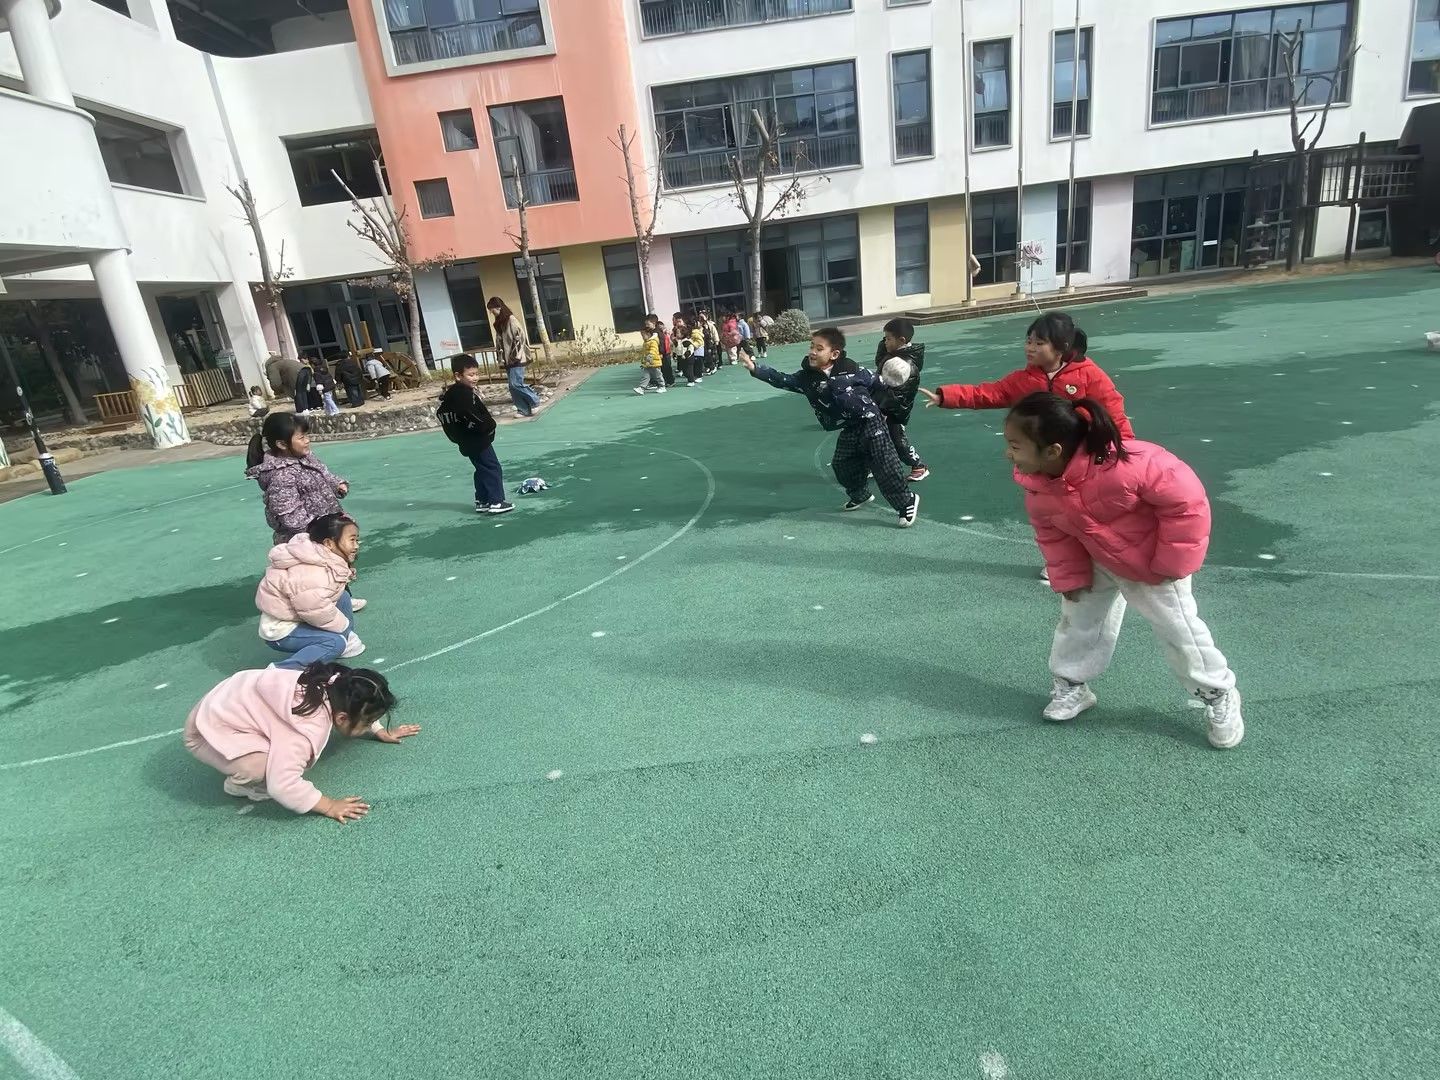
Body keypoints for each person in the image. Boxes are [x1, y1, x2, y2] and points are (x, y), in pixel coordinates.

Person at [1003, 392, 1244, 748]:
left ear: (1052, 451)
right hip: (1096, 557)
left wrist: (1172, 562)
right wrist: (1070, 576)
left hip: (1151, 563)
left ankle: (1217, 692)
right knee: (1078, 619)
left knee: (1177, 627)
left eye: (1015, 446)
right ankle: (1072, 684)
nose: (1008, 454)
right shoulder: (1040, 487)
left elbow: (1187, 501)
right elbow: (1053, 534)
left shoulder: (1127, 463)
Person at [182, 661, 417, 822]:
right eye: (368, 722)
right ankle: (239, 785)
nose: (370, 726)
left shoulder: (330, 682)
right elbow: (282, 785)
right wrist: (328, 805)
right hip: (205, 733)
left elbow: (359, 704)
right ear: (342, 718)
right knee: (259, 769)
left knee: (273, 748)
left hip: (223, 703)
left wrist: (378, 730)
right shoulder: (304, 732)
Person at [742, 327, 919, 527]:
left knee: (884, 464)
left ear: (834, 354)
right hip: (849, 426)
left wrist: (891, 402)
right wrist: (755, 368)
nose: (812, 352)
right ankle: (860, 494)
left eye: (819, 349)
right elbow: (781, 379)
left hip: (871, 421)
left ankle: (906, 501)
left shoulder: (851, 369)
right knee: (842, 464)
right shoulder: (806, 379)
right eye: (811, 347)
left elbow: (877, 383)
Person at [920, 311, 1133, 437]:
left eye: (1039, 343)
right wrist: (945, 396)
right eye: (1029, 342)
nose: (1030, 348)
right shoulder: (1023, 380)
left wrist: (1126, 446)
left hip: (1082, 449)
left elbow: (1112, 410)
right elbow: (987, 393)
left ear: (1061, 348)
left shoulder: (1089, 374)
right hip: (1042, 453)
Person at [256, 513, 366, 668]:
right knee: (335, 643)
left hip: (298, 615)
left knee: (343, 597)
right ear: (329, 543)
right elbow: (315, 610)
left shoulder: (320, 554)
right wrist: (343, 628)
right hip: (281, 630)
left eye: (357, 540)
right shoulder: (313, 573)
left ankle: (343, 639)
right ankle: (282, 669)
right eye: (352, 540)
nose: (356, 545)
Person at [245, 412, 353, 547]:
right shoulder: (281, 475)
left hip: (326, 527)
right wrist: (319, 529)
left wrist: (337, 484)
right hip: (304, 541)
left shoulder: (306, 457)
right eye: (301, 437)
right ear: (282, 444)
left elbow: (324, 473)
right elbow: (288, 514)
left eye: (306, 435)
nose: (307, 440)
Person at [437, 353, 513, 515]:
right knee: (492, 467)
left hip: (465, 440)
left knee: (481, 468)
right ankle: (496, 501)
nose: (475, 378)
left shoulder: (452, 395)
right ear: (458, 376)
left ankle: (482, 500)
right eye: (470, 375)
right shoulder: (463, 395)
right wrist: (488, 426)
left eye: (477, 374)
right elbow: (472, 415)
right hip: (476, 439)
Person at [872, 317, 929, 482]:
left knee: (897, 440)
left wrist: (885, 410)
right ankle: (872, 465)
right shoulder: (893, 353)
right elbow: (879, 362)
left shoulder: (907, 365)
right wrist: (884, 344)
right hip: (881, 404)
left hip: (894, 410)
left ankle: (918, 466)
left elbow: (900, 395)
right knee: (873, 436)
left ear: (902, 340)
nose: (885, 342)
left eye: (888, 339)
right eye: (884, 339)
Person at [488, 297, 542, 418]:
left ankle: (535, 400)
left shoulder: (511, 320)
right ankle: (523, 409)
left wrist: (515, 355)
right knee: (512, 387)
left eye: (492, 309)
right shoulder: (500, 323)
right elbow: (500, 342)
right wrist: (501, 357)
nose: (491, 312)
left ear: (499, 307)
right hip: (507, 359)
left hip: (517, 358)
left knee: (515, 384)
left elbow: (520, 338)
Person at [633, 323, 667, 395]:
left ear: (648, 334)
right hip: (648, 363)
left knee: (658, 375)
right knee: (645, 376)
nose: (642, 337)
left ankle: (662, 386)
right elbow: (644, 353)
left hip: (655, 363)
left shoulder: (653, 342)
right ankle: (641, 388)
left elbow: (652, 352)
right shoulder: (646, 342)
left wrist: (648, 360)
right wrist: (643, 362)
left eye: (643, 335)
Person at [673, 313, 704, 386]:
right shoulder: (677, 341)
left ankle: (692, 380)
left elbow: (691, 348)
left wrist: (687, 354)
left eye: (678, 333)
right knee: (685, 371)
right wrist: (674, 355)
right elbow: (675, 348)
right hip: (681, 357)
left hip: (690, 357)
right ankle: (691, 377)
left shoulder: (688, 340)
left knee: (690, 368)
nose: (677, 335)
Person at [649, 313, 675, 388]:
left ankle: (670, 381)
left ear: (653, 323)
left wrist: (661, 352)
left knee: (666, 368)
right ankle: (660, 382)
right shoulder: (652, 331)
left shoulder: (657, 332)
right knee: (660, 368)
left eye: (648, 324)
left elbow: (661, 343)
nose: (647, 325)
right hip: (660, 352)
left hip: (664, 353)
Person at [698, 311, 720, 375]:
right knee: (705, 356)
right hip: (703, 343)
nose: (701, 320)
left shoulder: (710, 325)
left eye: (702, 318)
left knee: (710, 356)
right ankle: (707, 367)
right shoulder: (699, 326)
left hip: (710, 343)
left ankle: (713, 367)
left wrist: (716, 340)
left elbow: (714, 333)